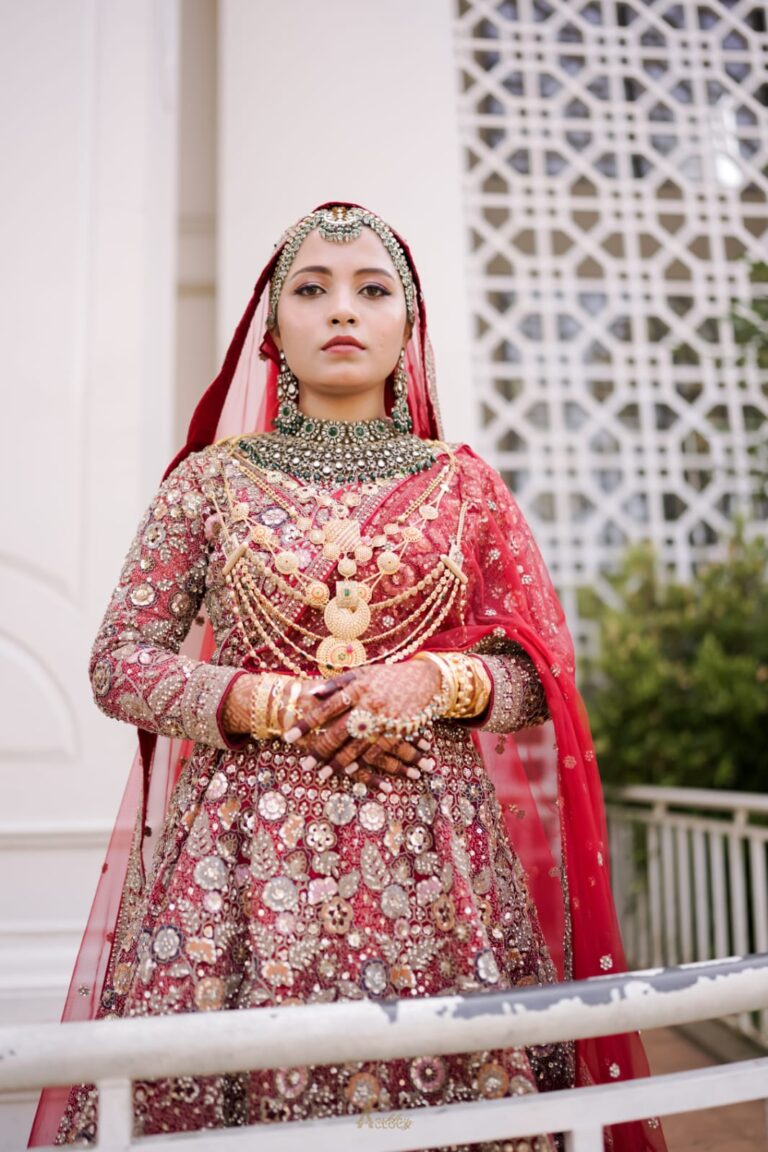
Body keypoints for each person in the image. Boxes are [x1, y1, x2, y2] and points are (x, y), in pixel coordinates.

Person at [31, 203, 665, 1151]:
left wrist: (431, 686)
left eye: (373, 291)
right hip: (238, 870)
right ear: (271, 328)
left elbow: (540, 673)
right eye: (312, 289)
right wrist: (265, 702)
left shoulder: (466, 486)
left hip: (437, 871)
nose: (343, 310)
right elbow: (121, 662)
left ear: (408, 328)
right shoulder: (209, 482)